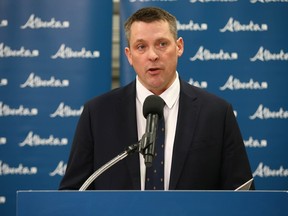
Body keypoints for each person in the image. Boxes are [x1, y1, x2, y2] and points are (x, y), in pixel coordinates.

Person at [59, 7, 254, 190]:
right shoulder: (98, 113)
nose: (152, 55)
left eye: (162, 44)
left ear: (179, 47)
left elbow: (241, 195)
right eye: (141, 46)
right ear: (129, 55)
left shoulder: (216, 113)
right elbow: (74, 193)